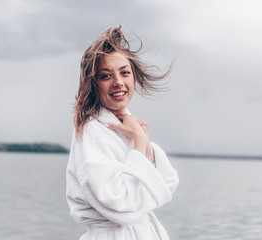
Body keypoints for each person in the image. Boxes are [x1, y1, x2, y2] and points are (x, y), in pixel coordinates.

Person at [66, 25, 179, 240]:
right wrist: (138, 143)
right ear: (93, 84)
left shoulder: (129, 125)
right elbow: (120, 205)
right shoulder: (92, 131)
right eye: (106, 75)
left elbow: (168, 182)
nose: (118, 82)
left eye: (124, 72)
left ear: (133, 76)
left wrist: (143, 142)